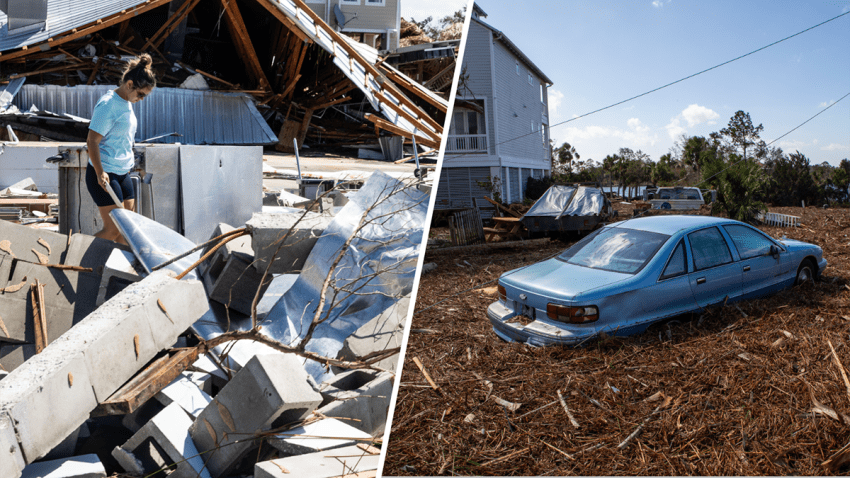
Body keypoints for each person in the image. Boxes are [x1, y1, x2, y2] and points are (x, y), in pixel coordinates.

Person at [85, 53, 156, 244]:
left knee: (128, 230)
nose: (141, 99)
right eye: (141, 94)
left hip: (123, 171)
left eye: (145, 96)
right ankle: (78, 257)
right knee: (113, 230)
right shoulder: (108, 104)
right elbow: (92, 141)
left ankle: (122, 272)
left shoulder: (126, 102)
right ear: (130, 84)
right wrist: (100, 172)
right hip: (104, 173)